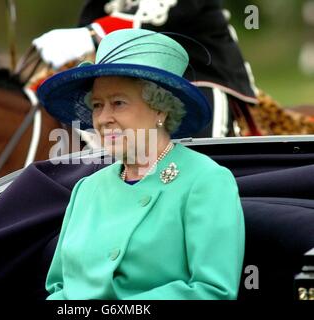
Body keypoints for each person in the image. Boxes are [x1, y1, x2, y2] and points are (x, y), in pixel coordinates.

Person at [37, 28, 245, 300]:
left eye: (118, 103)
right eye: (98, 105)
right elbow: (59, 289)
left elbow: (213, 291)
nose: (103, 118)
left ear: (160, 109)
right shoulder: (86, 189)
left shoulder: (205, 181)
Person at [32, 0, 258, 138]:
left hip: (197, 70)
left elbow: (161, 10)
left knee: (201, 149)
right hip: (126, 72)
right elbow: (92, 15)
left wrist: (92, 33)